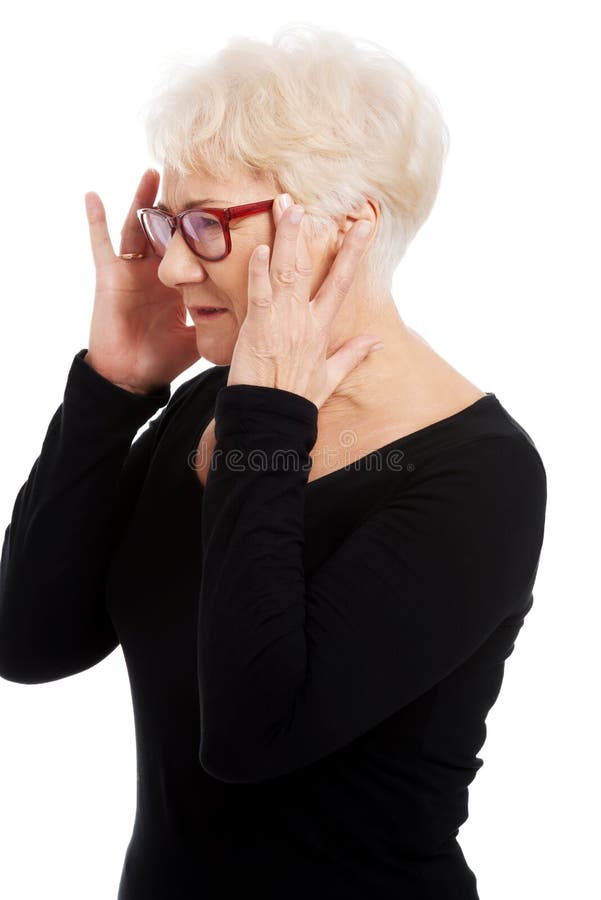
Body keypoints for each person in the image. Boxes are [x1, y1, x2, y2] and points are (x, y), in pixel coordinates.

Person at [0, 24, 547, 900]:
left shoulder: (480, 476)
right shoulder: (207, 409)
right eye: (169, 222)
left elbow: (253, 737)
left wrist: (267, 424)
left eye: (208, 225)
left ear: (346, 226)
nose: (174, 263)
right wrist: (112, 391)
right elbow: (29, 642)